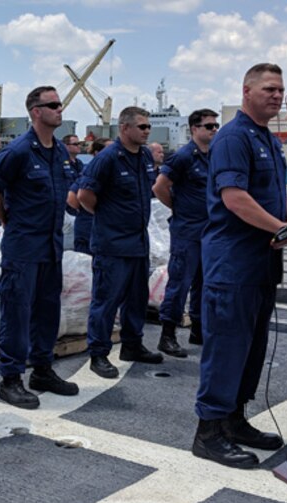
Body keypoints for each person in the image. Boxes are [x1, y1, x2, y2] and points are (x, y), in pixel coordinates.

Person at [194, 63, 287, 469]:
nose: (277, 95)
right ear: (246, 90)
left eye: (281, 90)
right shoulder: (233, 138)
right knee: (227, 348)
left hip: (260, 264)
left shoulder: (266, 139)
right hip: (233, 263)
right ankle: (208, 432)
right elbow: (234, 198)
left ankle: (234, 419)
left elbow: (279, 194)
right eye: (269, 88)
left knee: (251, 349)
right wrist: (283, 230)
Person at [0, 86, 80, 408]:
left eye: (60, 104)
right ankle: (10, 379)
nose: (59, 110)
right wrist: (8, 219)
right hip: (23, 246)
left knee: (47, 310)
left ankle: (42, 369)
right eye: (52, 105)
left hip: (51, 246)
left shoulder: (60, 152)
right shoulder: (19, 151)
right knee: (17, 313)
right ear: (35, 111)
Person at [77, 107, 165, 379]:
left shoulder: (145, 157)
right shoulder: (107, 158)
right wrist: (108, 219)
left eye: (148, 126)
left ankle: (132, 345)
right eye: (141, 126)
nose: (146, 130)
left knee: (137, 299)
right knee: (106, 301)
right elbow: (84, 196)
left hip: (138, 242)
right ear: (124, 128)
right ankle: (99, 354)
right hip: (112, 244)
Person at [152, 109, 219, 358]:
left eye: (215, 125)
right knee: (180, 283)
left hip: (209, 231)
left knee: (204, 283)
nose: (213, 130)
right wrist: (178, 209)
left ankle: (198, 330)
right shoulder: (183, 157)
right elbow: (160, 187)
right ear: (194, 129)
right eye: (208, 126)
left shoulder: (213, 156)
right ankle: (167, 335)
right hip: (187, 231)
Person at [71, 138, 110, 255]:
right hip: (88, 229)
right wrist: (93, 211)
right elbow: (72, 197)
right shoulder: (91, 170)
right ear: (97, 153)